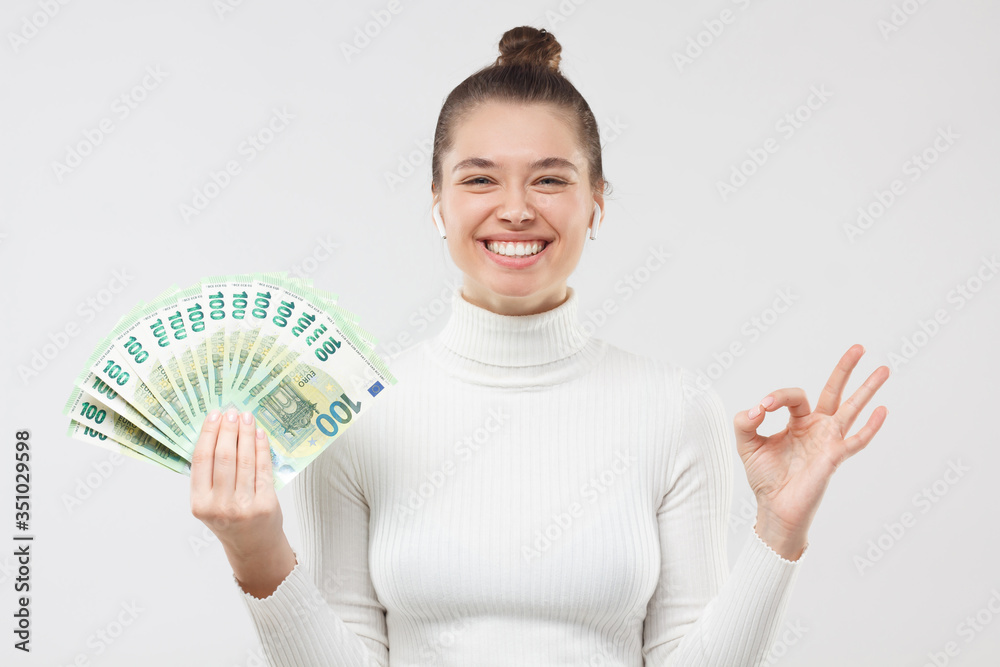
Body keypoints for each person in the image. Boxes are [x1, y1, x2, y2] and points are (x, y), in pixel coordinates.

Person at [190, 25, 890, 666]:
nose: (517, 207)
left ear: (597, 202)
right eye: (480, 178)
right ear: (438, 201)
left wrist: (778, 529)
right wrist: (255, 552)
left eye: (551, 178)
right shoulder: (359, 415)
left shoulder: (675, 407)